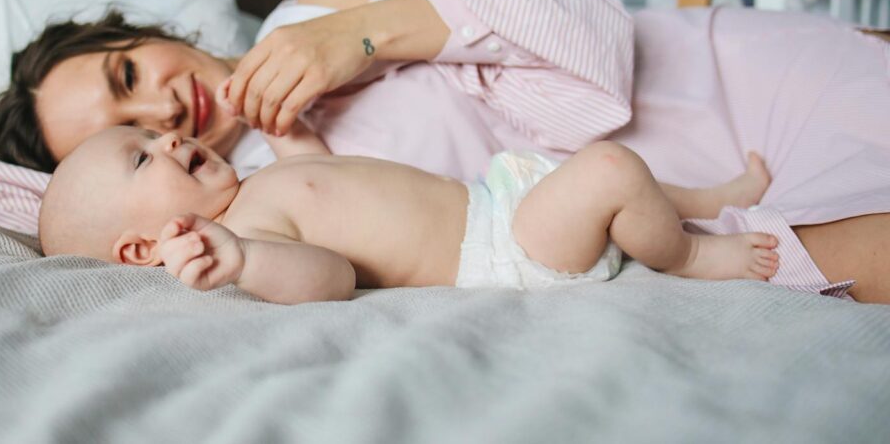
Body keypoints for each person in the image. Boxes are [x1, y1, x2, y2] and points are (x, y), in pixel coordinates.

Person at [0, 0, 890, 303]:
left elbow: (584, 24)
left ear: (148, 33)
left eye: (129, 73)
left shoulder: (319, 3)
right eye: (122, 141)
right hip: (629, 215)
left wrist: (357, 35)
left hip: (698, 86)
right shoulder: (255, 205)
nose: (163, 111)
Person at [39, 120, 779, 304]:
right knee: (609, 169)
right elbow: (331, 276)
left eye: (149, 133)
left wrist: (285, 123)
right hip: (505, 252)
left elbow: (320, 169)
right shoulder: (245, 233)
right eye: (142, 158)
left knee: (599, 171)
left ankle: (710, 199)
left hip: (496, 197)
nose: (166, 138)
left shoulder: (259, 181)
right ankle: (690, 253)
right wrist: (242, 261)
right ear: (141, 250)